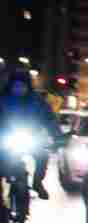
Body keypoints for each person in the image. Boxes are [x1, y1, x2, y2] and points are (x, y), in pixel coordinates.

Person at [0, 67, 66, 203]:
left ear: (28, 86)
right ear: (10, 86)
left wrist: (58, 137)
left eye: (22, 86)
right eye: (16, 85)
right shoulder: (2, 99)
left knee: (42, 156)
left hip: (31, 138)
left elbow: (49, 119)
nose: (19, 88)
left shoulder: (37, 101)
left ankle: (37, 182)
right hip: (4, 140)